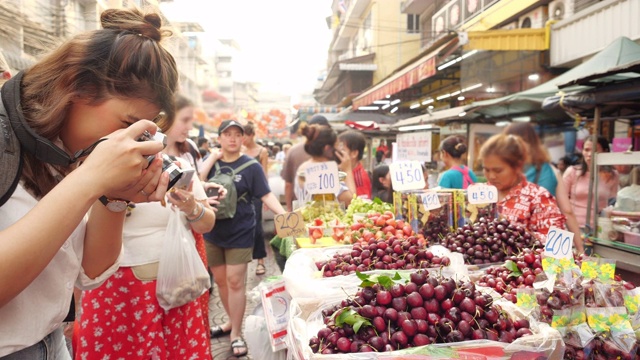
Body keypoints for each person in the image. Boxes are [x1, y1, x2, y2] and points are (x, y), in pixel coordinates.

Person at [0, 7, 178, 358]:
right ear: (77, 87)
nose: (126, 141)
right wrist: (89, 178)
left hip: (52, 344)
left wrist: (114, 197)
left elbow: (90, 272)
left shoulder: (63, 151)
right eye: (125, 123)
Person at [76, 95, 219, 359]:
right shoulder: (94, 168)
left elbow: (207, 223)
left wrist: (191, 207)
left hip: (175, 285)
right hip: (115, 292)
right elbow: (77, 243)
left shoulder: (179, 168)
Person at [200, 120, 285, 357]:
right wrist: (211, 159)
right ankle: (229, 321)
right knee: (221, 282)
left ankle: (236, 332)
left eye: (237, 134)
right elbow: (195, 184)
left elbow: (266, 194)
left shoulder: (251, 166)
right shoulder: (211, 163)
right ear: (220, 137)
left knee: (236, 281)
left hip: (241, 231)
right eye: (227, 134)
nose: (232, 139)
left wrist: (284, 216)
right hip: (212, 230)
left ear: (243, 138)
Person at [504, 123, 584, 253]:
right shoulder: (552, 170)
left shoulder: (506, 172)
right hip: (556, 240)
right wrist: (581, 250)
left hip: (519, 241)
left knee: (522, 272)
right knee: (560, 273)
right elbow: (567, 211)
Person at [480, 134, 566, 242]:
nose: (491, 176)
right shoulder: (479, 193)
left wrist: (514, 232)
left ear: (517, 166)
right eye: (486, 170)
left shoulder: (538, 197)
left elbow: (558, 243)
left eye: (498, 170)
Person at [564, 136, 619, 231]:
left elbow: (612, 202)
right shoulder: (572, 172)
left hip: (599, 228)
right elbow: (560, 200)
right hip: (571, 226)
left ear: (605, 152)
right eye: (586, 150)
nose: (589, 154)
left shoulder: (612, 175)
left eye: (594, 150)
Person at [296, 125, 355, 206]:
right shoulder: (324, 171)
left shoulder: (304, 167)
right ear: (327, 148)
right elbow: (350, 201)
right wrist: (347, 169)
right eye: (337, 145)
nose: (339, 150)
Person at [282, 115, 331, 211]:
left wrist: (289, 209)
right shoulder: (331, 153)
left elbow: (288, 184)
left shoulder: (293, 151)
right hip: (328, 211)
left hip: (301, 209)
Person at [242, 122, 269, 276]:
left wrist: (266, 196)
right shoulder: (240, 150)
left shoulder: (262, 151)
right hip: (242, 194)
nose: (242, 139)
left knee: (257, 226)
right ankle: (242, 260)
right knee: (242, 225)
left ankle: (260, 260)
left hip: (257, 194)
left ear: (251, 135)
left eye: (244, 135)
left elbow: (264, 175)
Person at [337, 130, 371, 199]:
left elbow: (362, 205)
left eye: (342, 150)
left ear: (354, 153)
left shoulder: (360, 177)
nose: (338, 154)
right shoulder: (343, 172)